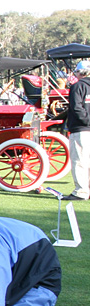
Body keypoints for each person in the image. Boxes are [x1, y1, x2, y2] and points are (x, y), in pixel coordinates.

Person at [62, 60, 90, 201]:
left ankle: (81, 191)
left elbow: (77, 107)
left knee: (79, 160)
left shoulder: (77, 86)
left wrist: (86, 120)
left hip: (81, 128)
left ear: (80, 72)